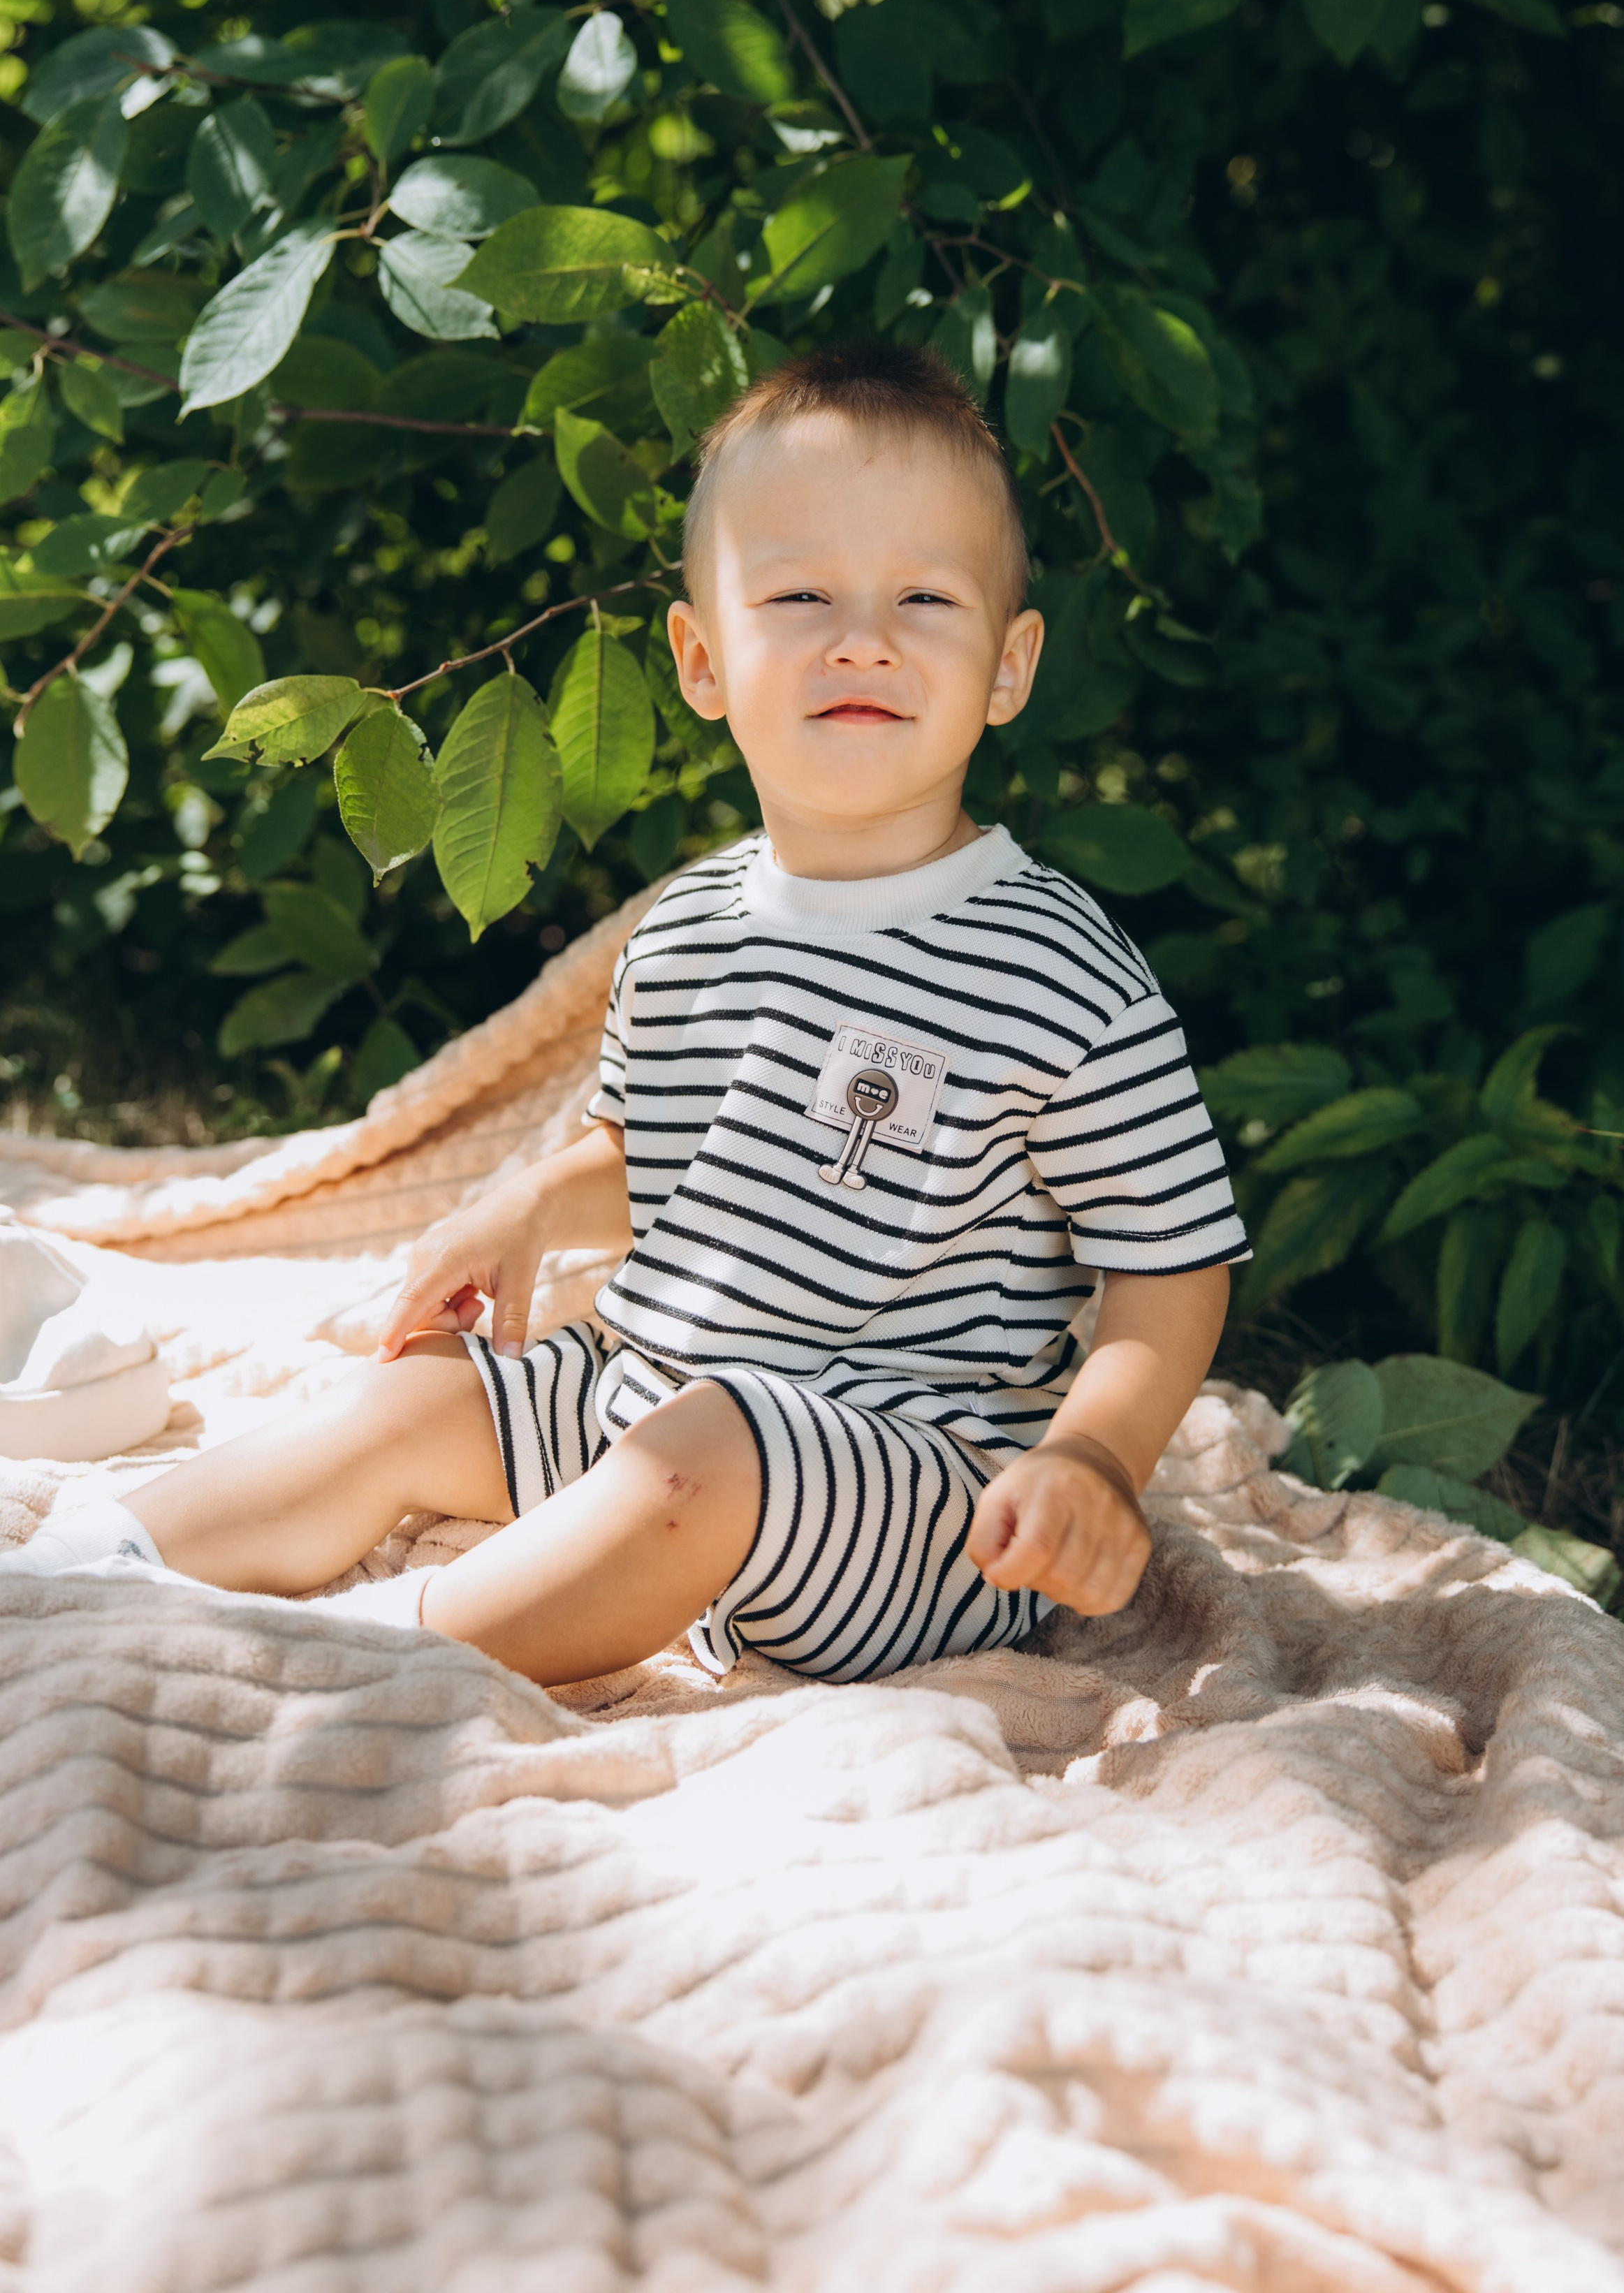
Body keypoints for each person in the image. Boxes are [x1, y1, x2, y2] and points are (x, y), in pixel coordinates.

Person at [4, 344, 1248, 1687]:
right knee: (413, 1403)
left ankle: (368, 1656)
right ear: (703, 660)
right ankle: (97, 1560)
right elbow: (649, 1154)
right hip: (643, 1394)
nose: (862, 637)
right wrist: (528, 1208)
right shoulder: (691, 926)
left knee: (704, 1452)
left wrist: (1091, 1457)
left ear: (1009, 669)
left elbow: (1172, 1266)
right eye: (803, 594)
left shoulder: (1058, 969)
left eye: (924, 597)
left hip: (913, 1499)